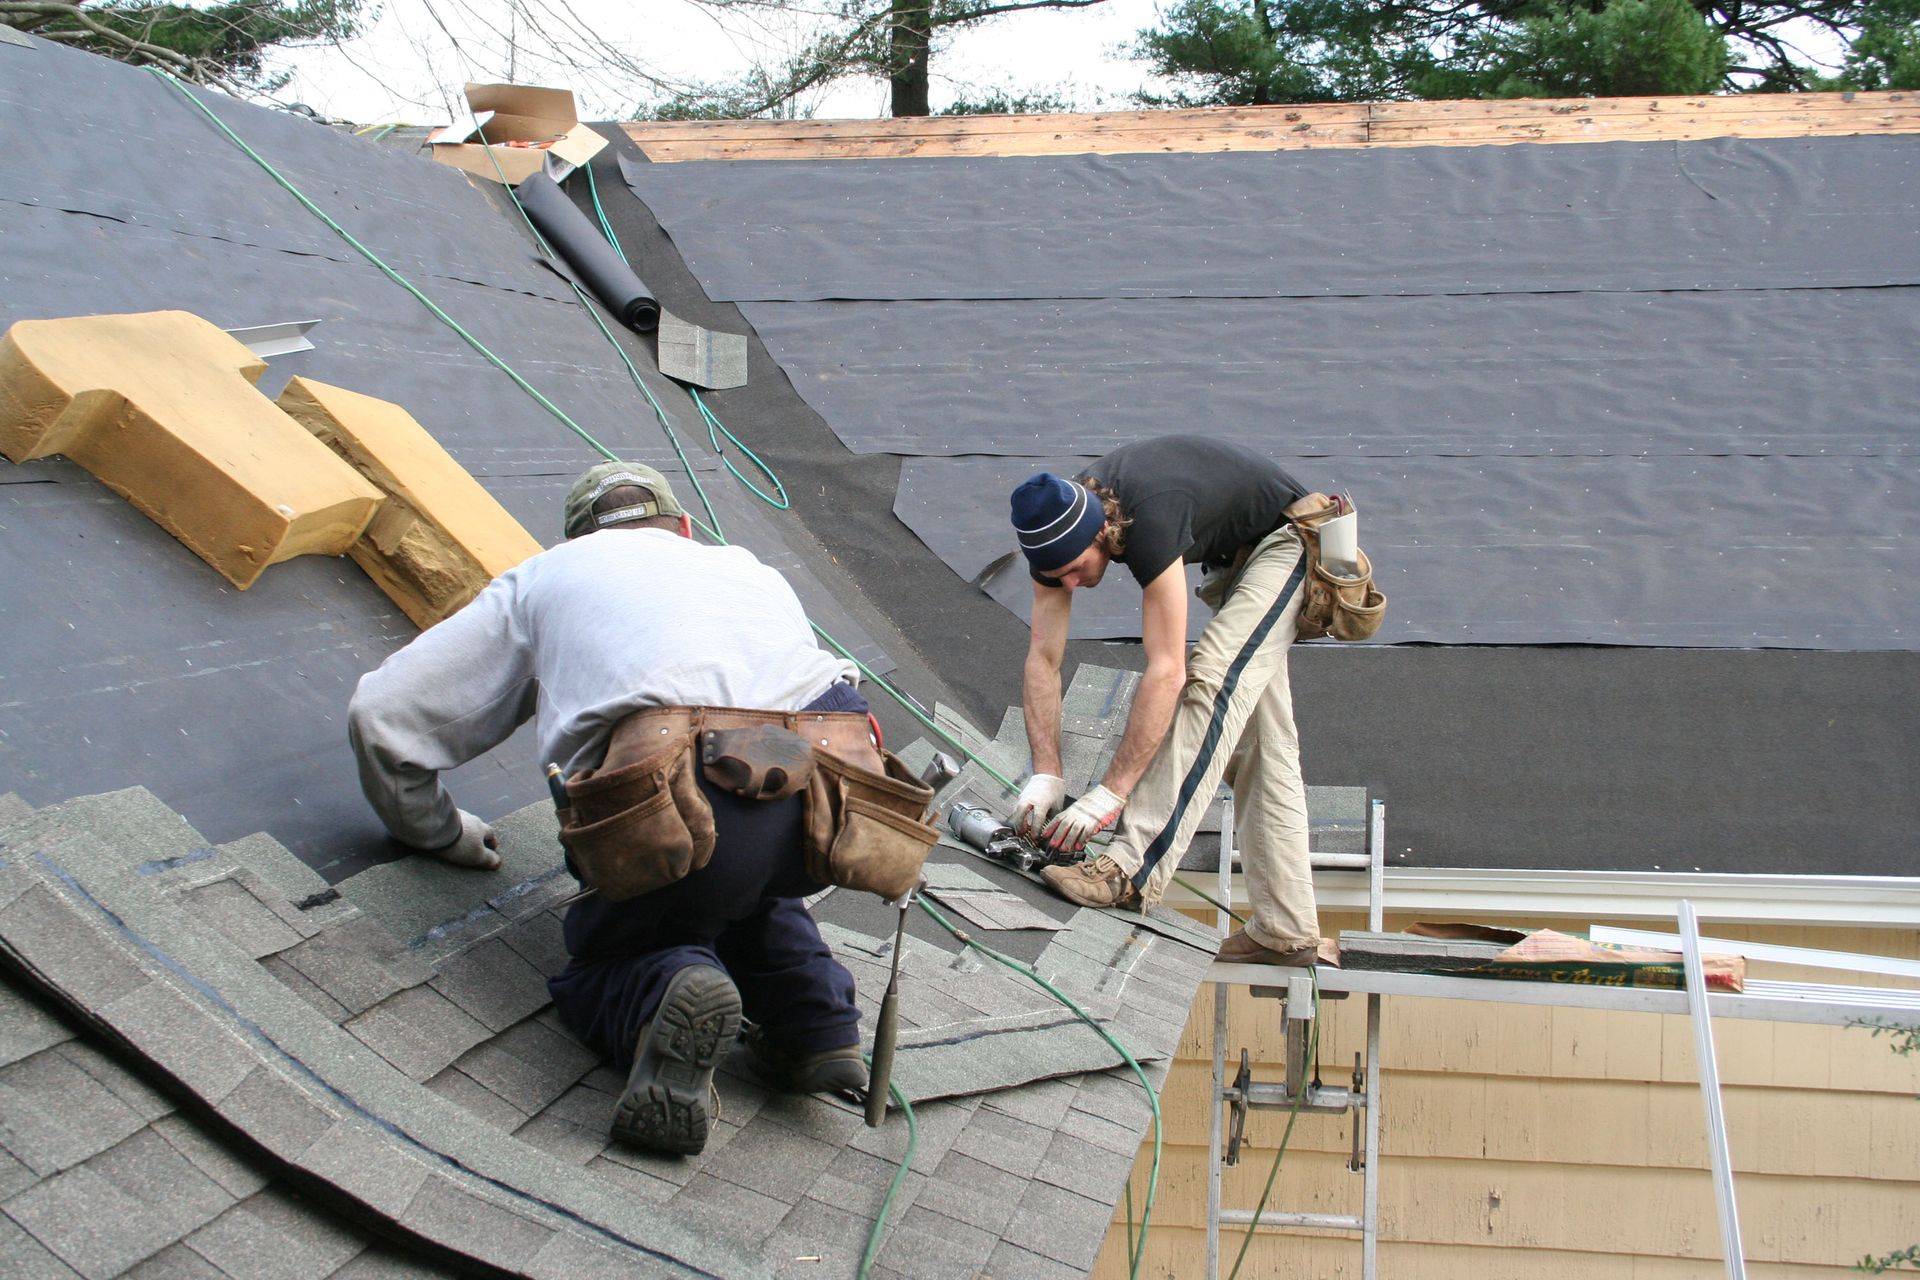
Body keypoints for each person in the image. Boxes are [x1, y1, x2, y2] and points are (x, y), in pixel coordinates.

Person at [348, 460, 870, 1156]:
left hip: (686, 797)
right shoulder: (747, 568)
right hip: (839, 801)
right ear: (684, 529)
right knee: (747, 873)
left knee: (623, 938)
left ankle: (661, 988)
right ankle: (817, 1026)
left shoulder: (548, 577)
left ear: (578, 540)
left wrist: (439, 833)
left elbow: (383, 715)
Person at [1008, 434, 1328, 967]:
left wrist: (1111, 794)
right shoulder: (1056, 533)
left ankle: (1129, 868)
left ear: (1102, 531)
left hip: (1290, 541)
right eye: (1057, 576)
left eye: (1076, 568)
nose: (1070, 583)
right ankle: (1286, 928)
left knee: (1212, 682)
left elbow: (1167, 671)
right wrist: (1047, 773)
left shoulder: (1151, 517)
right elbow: (1043, 659)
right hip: (1235, 561)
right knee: (1261, 746)